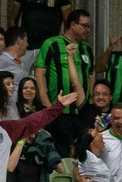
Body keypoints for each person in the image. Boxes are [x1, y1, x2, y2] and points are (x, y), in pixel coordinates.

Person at [32, 9, 93, 156]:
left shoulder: (87, 49)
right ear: (72, 25)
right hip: (59, 111)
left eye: (89, 27)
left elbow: (91, 76)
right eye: (84, 26)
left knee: (82, 154)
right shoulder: (52, 44)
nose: (88, 30)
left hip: (81, 113)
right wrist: (46, 103)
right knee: (61, 154)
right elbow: (39, 72)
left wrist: (89, 103)